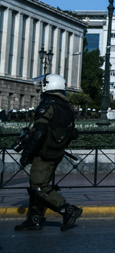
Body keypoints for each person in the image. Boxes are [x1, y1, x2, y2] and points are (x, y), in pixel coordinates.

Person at [14, 74, 82, 232]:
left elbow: (39, 134)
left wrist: (26, 155)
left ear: (47, 86)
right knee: (37, 185)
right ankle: (35, 219)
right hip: (56, 152)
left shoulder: (47, 105)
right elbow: (72, 133)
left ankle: (67, 209)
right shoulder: (67, 106)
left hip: (44, 153)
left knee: (38, 186)